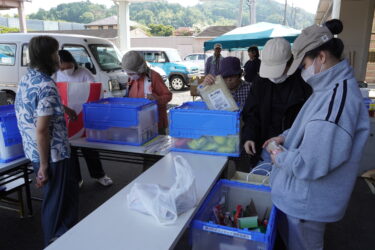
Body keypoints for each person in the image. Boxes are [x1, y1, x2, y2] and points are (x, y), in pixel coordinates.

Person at [264, 19, 370, 250]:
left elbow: (310, 164)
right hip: (299, 199)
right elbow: (310, 126)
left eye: (304, 64)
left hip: (306, 203)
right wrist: (285, 136)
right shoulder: (328, 88)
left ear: (321, 57)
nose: (303, 71)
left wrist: (277, 154)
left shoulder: (337, 98)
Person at [14, 36, 79, 246]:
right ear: (48, 56)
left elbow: (38, 108)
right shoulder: (47, 85)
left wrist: (65, 109)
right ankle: (52, 241)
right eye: (56, 52)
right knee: (55, 203)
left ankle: (67, 237)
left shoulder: (28, 78)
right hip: (52, 155)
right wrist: (44, 166)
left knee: (66, 197)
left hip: (36, 150)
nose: (58, 57)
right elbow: (42, 130)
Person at [241, 38, 312, 170]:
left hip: (293, 150)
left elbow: (308, 122)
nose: (273, 76)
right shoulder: (260, 82)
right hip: (264, 146)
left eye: (278, 70)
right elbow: (252, 113)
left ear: (290, 63)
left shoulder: (304, 83)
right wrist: (249, 137)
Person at [54, 50, 113, 187]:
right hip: (65, 118)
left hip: (85, 115)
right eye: (62, 67)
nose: (65, 70)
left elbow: (94, 89)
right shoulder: (55, 74)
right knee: (71, 151)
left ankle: (99, 175)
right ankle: (77, 179)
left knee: (90, 148)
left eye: (68, 66)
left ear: (72, 62)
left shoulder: (83, 72)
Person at [122, 51, 172, 135]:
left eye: (131, 73)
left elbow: (168, 96)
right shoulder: (131, 79)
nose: (129, 75)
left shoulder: (154, 77)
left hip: (156, 124)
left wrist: (157, 99)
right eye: (128, 73)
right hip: (138, 124)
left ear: (140, 69)